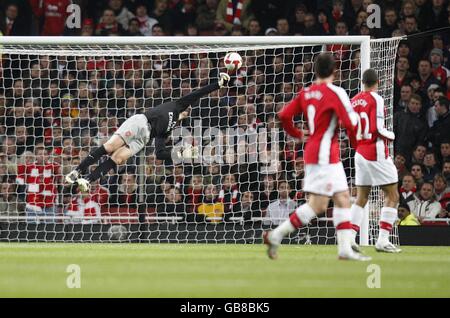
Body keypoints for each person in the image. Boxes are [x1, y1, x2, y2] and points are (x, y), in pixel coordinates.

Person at [263, 53, 370, 261]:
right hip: (325, 154)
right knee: (319, 205)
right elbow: (350, 123)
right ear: (334, 71)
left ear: (315, 70)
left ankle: (344, 249)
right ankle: (276, 235)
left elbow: (283, 115)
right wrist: (357, 143)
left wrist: (296, 134)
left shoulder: (307, 92)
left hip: (317, 151)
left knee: (341, 199)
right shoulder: (336, 92)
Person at [66, 73, 230, 192]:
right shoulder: (178, 104)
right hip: (140, 123)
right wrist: (218, 84)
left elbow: (160, 153)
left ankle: (88, 180)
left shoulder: (168, 129)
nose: (190, 111)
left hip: (143, 139)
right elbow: (198, 93)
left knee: (119, 158)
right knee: (110, 146)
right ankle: (77, 171)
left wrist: (183, 153)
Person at [349, 69, 401, 253]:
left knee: (362, 197)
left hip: (360, 152)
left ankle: (348, 239)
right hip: (375, 151)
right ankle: (383, 240)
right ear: (377, 82)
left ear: (362, 82)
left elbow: (349, 128)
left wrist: (358, 145)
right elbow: (377, 128)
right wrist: (392, 135)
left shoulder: (353, 100)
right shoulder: (376, 99)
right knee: (393, 195)